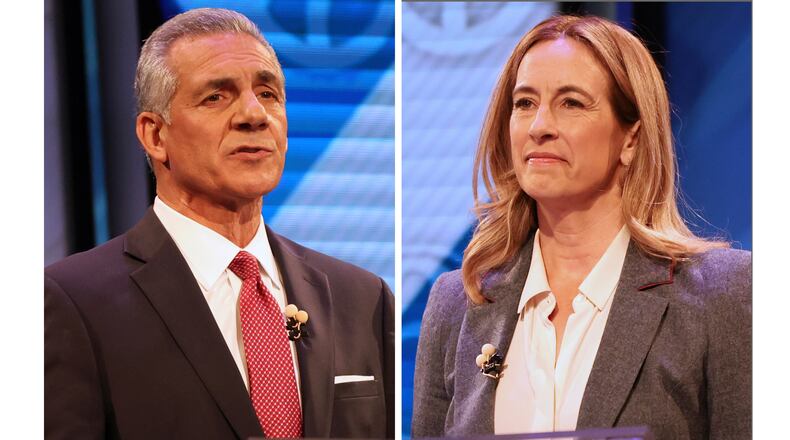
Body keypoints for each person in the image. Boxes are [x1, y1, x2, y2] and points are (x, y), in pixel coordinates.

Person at [45, 8, 393, 439]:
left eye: (268, 94)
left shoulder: (361, 298)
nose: (254, 114)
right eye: (216, 96)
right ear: (155, 136)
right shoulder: (70, 302)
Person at [411, 15, 750, 440]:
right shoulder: (457, 303)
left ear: (630, 138)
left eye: (571, 103)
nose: (539, 127)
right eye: (524, 103)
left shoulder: (723, 294)